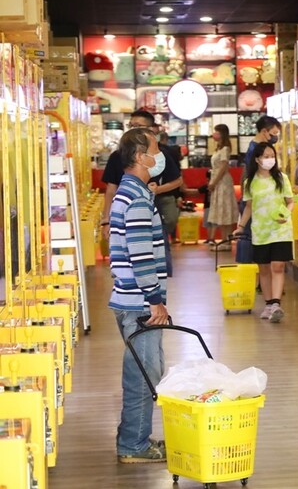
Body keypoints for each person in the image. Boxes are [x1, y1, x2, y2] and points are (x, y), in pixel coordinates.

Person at [108, 128, 170, 464]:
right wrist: (154, 298)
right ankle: (133, 445)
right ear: (139, 156)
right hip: (140, 303)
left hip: (134, 299)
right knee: (143, 375)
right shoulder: (135, 198)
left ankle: (136, 438)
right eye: (155, 150)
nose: (160, 156)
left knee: (147, 370)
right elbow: (141, 254)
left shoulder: (132, 192)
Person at [100, 111, 183, 277]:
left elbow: (177, 180)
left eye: (138, 126)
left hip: (156, 206)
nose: (133, 129)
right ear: (139, 158)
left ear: (151, 129)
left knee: (156, 248)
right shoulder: (119, 160)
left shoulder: (161, 155)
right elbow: (111, 189)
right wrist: (106, 219)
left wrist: (158, 190)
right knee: (138, 251)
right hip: (139, 279)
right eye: (131, 125)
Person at [234, 142, 294, 323]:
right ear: (257, 159)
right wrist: (241, 226)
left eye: (272, 156)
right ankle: (268, 304)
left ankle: (276, 303)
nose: (270, 160)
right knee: (264, 269)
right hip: (260, 231)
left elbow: (290, 201)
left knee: (278, 265)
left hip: (281, 230)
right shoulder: (250, 183)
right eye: (266, 156)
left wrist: (286, 214)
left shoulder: (281, 178)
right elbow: (249, 207)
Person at [236, 115, 282, 265]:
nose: (275, 137)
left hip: (255, 198)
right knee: (249, 235)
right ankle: (247, 269)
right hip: (255, 199)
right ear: (264, 131)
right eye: (274, 133)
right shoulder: (256, 150)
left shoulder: (255, 147)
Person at [207, 124, 239, 249]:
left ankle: (227, 241)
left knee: (225, 210)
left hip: (222, 183)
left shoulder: (225, 148)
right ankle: (225, 240)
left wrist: (214, 182)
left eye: (216, 132)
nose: (214, 134)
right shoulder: (218, 148)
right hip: (218, 182)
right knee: (221, 211)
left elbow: (223, 167)